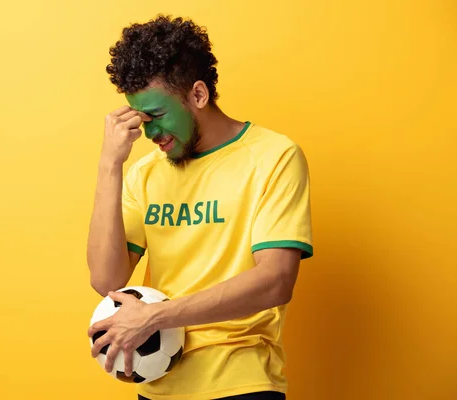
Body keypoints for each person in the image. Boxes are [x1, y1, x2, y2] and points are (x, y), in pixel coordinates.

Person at [86, 15, 313, 400]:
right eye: (142, 121)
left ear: (198, 95)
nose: (151, 134)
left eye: (156, 116)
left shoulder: (274, 156)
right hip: (158, 386)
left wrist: (155, 317)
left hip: (241, 382)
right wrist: (110, 166)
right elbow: (107, 283)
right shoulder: (145, 174)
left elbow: (276, 280)